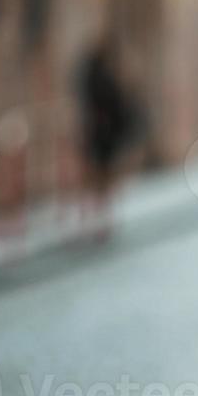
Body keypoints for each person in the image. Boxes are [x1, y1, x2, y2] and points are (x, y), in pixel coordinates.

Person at [76, 32, 136, 243]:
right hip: (104, 137)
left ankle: (94, 219)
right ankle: (99, 220)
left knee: (96, 179)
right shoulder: (105, 79)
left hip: (96, 135)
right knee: (101, 179)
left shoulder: (90, 77)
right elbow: (118, 108)